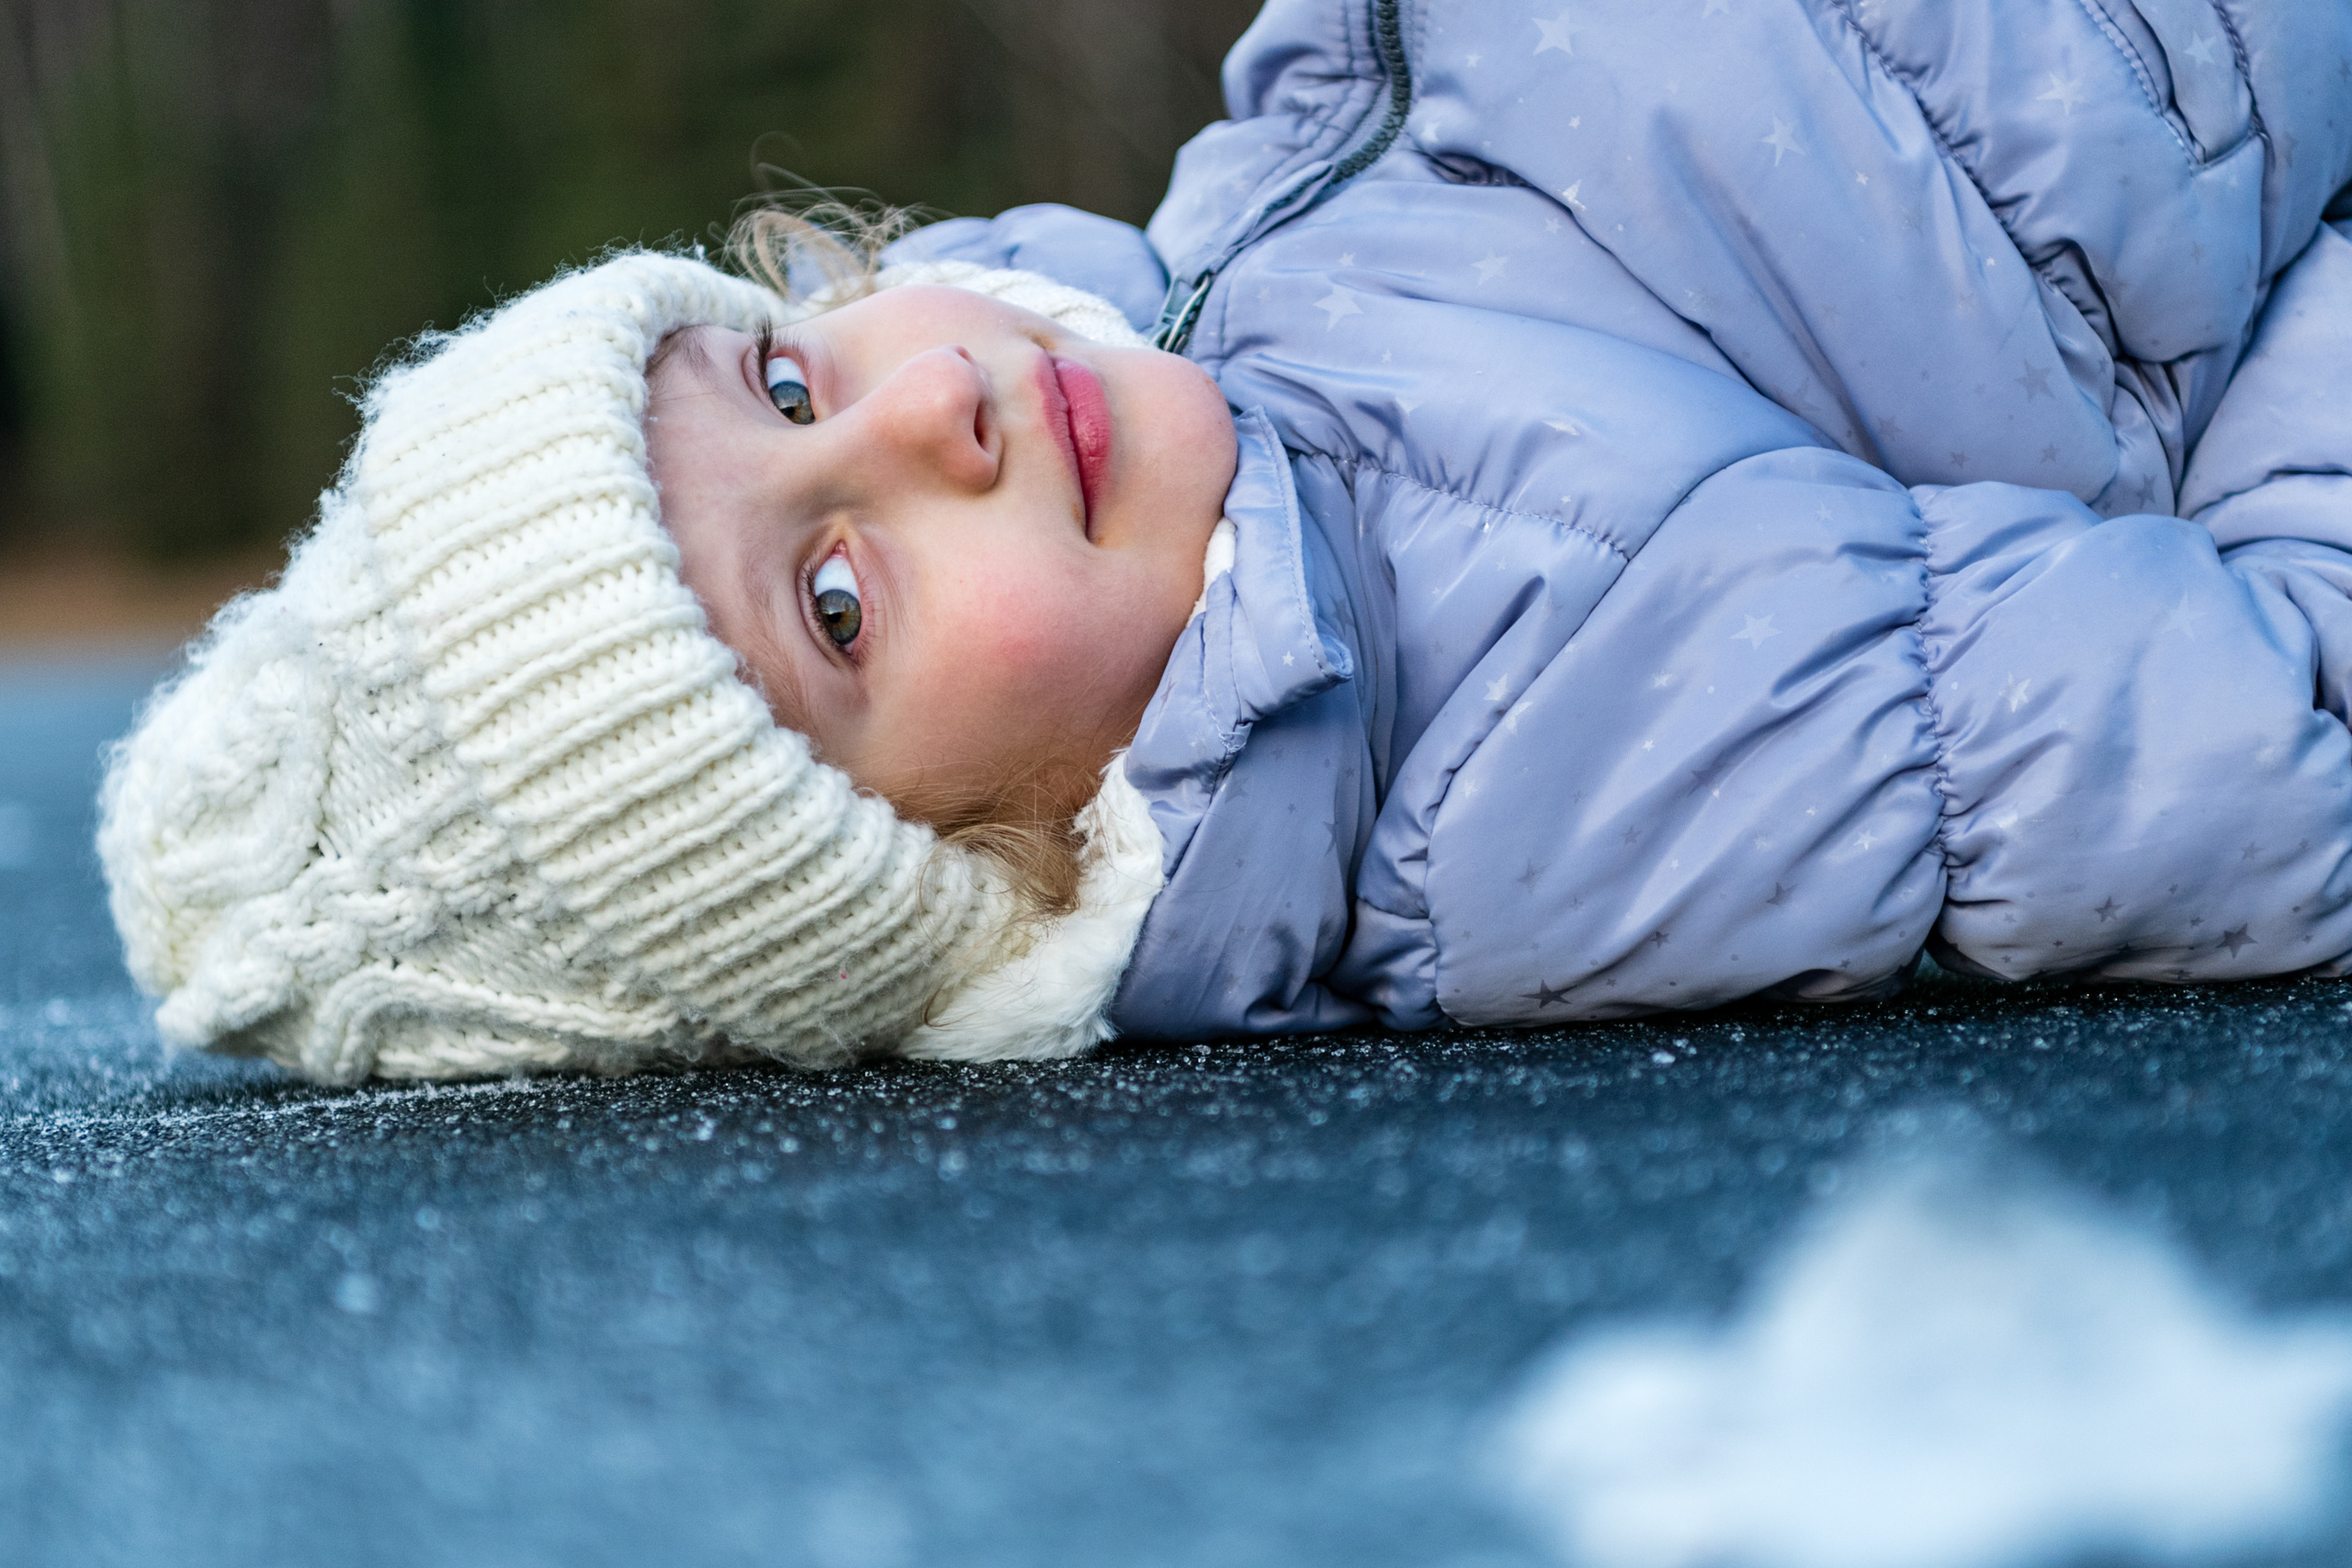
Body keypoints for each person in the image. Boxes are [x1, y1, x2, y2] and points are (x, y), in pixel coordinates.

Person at [98, 0, 2352, 1082]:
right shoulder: (1551, 753)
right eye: (839, 594)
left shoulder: (1234, 244)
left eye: (785, 380)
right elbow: (2286, 703)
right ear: (973, 887)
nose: (922, 407)